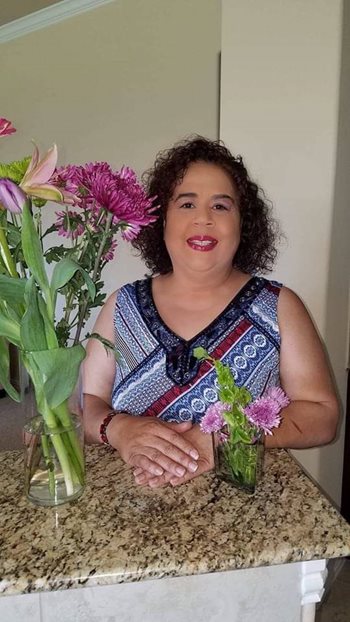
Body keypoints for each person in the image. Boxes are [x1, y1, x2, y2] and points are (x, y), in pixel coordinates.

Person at [82, 136, 339, 489]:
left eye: (221, 206)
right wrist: (119, 428)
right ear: (162, 219)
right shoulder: (121, 305)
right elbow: (86, 403)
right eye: (186, 204)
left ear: (242, 224)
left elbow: (322, 415)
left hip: (246, 511)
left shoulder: (279, 305)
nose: (203, 218)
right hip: (132, 506)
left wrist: (227, 436)